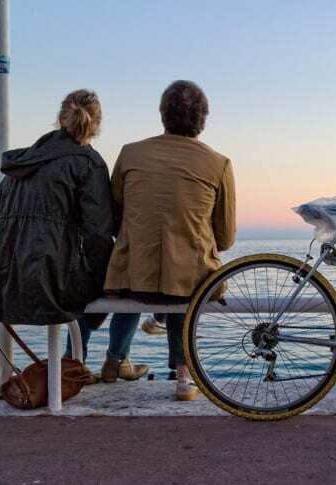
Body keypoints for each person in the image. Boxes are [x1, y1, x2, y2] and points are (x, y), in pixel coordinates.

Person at [103, 80, 236, 400]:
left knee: (141, 273)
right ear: (203, 118)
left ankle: (112, 361)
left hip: (131, 276)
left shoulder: (130, 153)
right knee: (184, 274)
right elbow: (226, 237)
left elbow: (115, 213)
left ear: (163, 114)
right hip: (186, 281)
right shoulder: (218, 164)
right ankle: (183, 378)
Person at [0, 90, 114, 382]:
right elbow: (97, 234)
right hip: (52, 280)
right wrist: (106, 279)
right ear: (97, 125)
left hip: (3, 278)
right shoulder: (89, 163)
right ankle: (85, 363)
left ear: (60, 118)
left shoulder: (23, 161)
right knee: (116, 287)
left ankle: (74, 362)